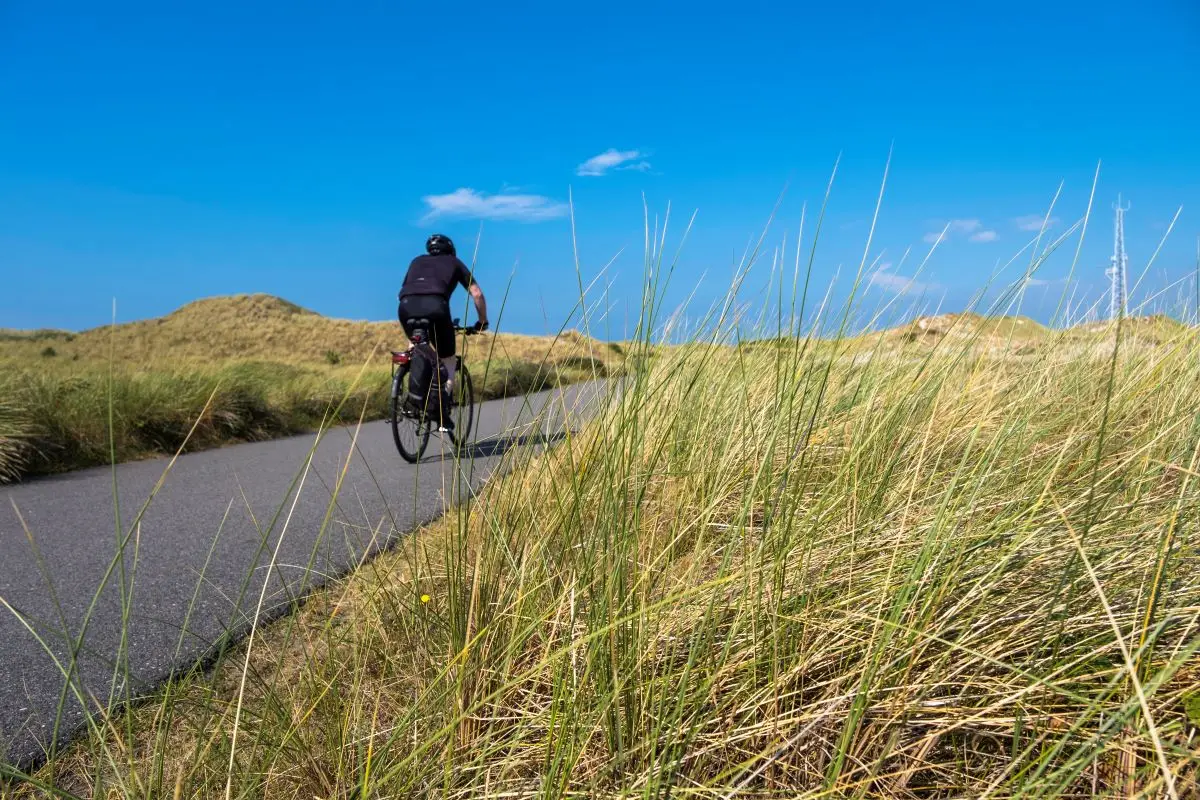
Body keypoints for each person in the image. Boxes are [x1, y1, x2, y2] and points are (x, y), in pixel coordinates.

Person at [397, 233, 489, 429]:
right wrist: (482, 322)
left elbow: (407, 287)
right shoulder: (454, 262)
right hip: (436, 307)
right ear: (451, 250)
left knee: (417, 343)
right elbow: (477, 294)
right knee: (448, 358)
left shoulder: (416, 261)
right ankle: (439, 407)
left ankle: (412, 395)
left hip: (406, 306)